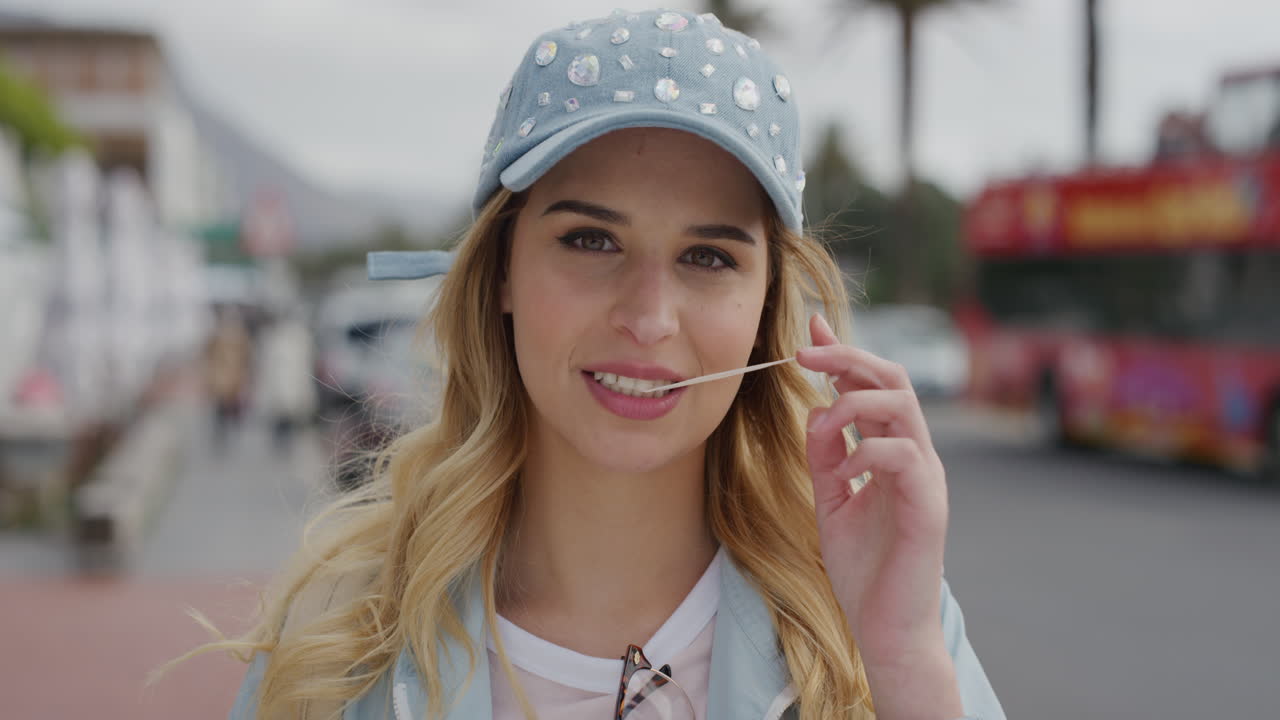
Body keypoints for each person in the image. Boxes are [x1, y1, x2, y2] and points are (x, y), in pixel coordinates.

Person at [216, 9, 1005, 720]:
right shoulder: (337, 638)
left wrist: (901, 666)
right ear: (499, 271)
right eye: (591, 241)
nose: (650, 318)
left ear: (767, 306)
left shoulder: (886, 615)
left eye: (708, 255)